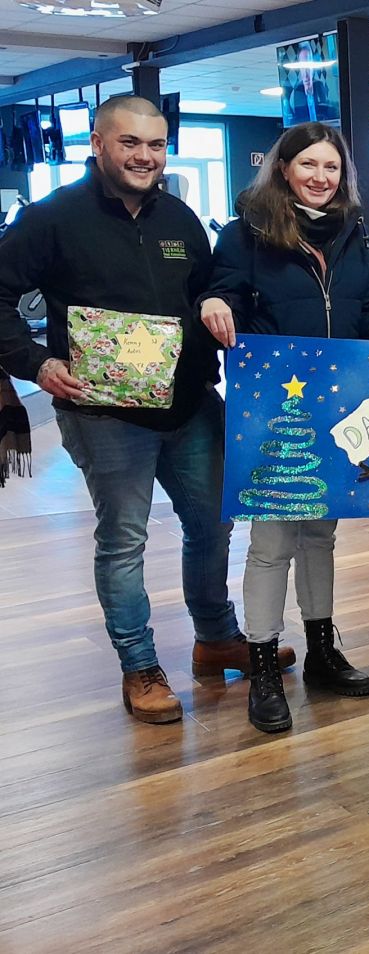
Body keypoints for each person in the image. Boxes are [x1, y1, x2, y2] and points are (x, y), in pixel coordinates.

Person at [0, 95, 256, 724]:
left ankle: (216, 637)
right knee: (124, 541)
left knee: (213, 525)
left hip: (192, 403)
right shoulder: (52, 218)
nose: (145, 156)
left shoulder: (180, 216)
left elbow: (211, 284)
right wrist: (35, 363)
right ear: (98, 143)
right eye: (130, 143)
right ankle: (139, 664)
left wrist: (219, 301)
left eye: (156, 144)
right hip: (103, 411)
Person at [201, 122, 369, 733]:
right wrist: (215, 305)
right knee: (272, 541)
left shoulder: (355, 235)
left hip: (337, 401)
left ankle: (321, 650)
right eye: (309, 165)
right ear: (283, 168)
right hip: (274, 405)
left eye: (333, 168)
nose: (321, 178)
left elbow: (368, 305)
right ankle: (262, 662)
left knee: (321, 532)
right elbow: (224, 293)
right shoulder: (248, 234)